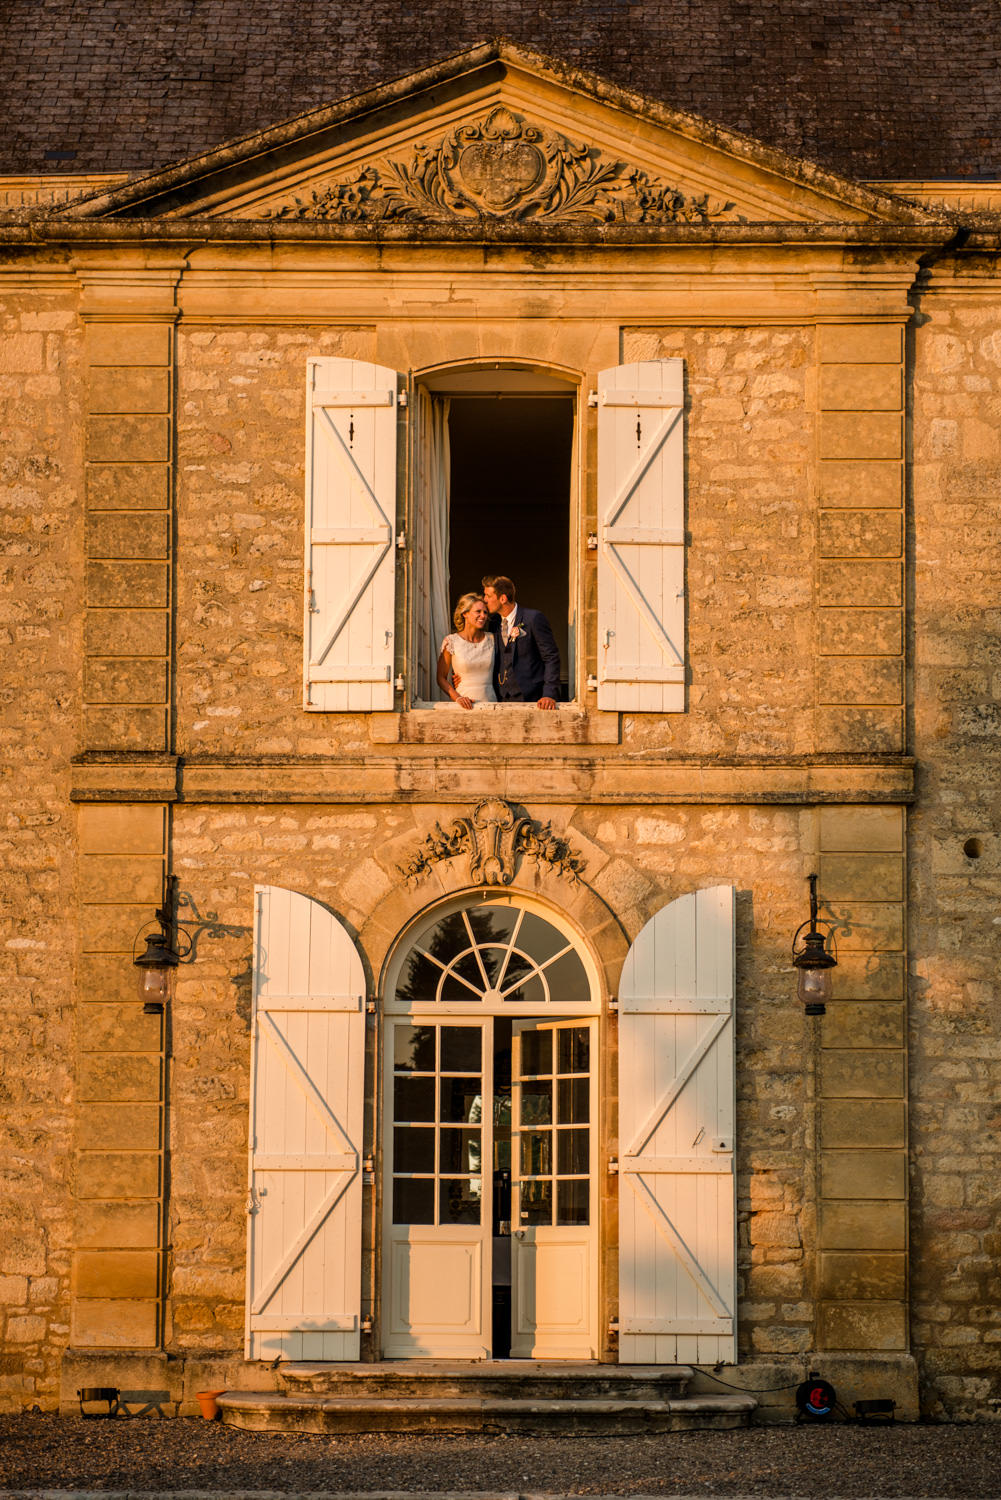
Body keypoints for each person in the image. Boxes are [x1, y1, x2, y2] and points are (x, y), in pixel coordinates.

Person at [482, 574, 560, 710]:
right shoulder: (494, 623)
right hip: (501, 699)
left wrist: (549, 693)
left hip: (532, 698)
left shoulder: (533, 618)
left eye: (488, 596)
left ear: (503, 598)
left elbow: (551, 657)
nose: (484, 600)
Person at [436, 592, 498, 709]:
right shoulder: (451, 641)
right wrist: (457, 697)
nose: (483, 616)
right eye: (478, 611)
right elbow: (440, 677)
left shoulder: (492, 639)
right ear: (465, 613)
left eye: (485, 612)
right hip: (463, 704)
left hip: (491, 703)